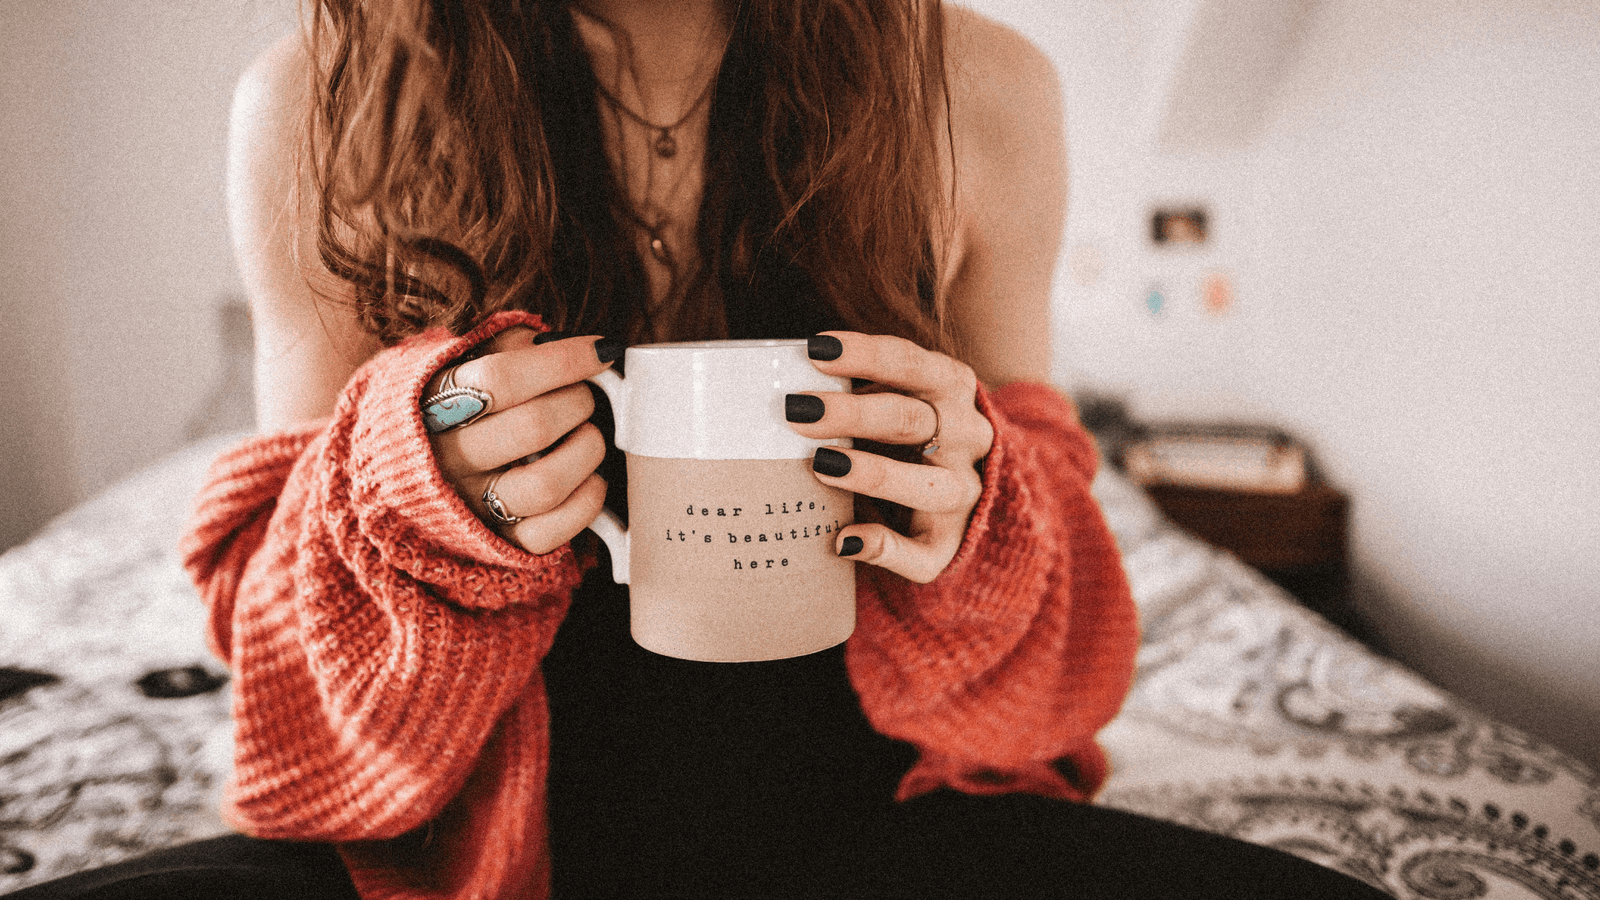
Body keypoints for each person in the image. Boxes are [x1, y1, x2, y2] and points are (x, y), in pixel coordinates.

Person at [8, 1, 1390, 898]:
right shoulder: (323, 97)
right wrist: (406, 490)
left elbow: (1060, 681)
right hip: (465, 838)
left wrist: (979, 515)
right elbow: (281, 680)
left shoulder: (982, 87)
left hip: (898, 814)